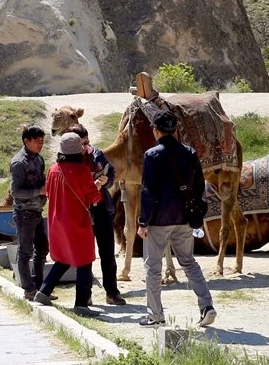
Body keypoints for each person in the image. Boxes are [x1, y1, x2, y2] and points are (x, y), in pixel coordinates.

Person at [137, 110, 217, 328]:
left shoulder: (151, 155)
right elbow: (199, 185)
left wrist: (143, 221)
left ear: (155, 130)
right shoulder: (189, 153)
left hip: (158, 220)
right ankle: (206, 306)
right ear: (175, 130)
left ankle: (155, 315)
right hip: (184, 217)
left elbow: (148, 191)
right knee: (189, 263)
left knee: (153, 267)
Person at [33, 133, 102, 315]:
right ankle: (81, 304)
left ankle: (44, 291)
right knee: (85, 260)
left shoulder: (53, 169)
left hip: (56, 221)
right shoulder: (82, 171)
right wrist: (98, 185)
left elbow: (48, 191)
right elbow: (94, 196)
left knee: (64, 258)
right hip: (77, 222)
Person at [68, 122, 126, 306]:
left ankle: (112, 292)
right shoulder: (68, 160)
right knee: (85, 254)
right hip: (81, 210)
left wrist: (106, 181)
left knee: (107, 252)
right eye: (82, 144)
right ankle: (85, 294)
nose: (86, 147)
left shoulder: (97, 155)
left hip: (101, 208)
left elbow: (112, 175)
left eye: (87, 142)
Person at [11, 124, 49, 301]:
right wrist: (39, 192)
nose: (40, 144)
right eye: (37, 141)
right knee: (25, 252)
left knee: (42, 249)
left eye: (42, 141)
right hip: (24, 212)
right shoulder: (19, 162)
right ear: (27, 141)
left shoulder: (39, 159)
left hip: (37, 210)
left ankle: (39, 286)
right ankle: (28, 289)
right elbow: (16, 192)